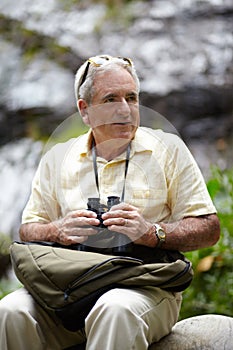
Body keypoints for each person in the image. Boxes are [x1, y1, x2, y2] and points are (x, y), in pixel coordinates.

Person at [0, 55, 220, 350]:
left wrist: (151, 233)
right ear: (85, 110)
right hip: (68, 288)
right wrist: (58, 230)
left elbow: (209, 228)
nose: (125, 109)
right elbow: (29, 230)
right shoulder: (57, 157)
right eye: (110, 99)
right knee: (10, 311)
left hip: (144, 286)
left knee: (114, 309)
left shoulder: (169, 149)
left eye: (132, 97)